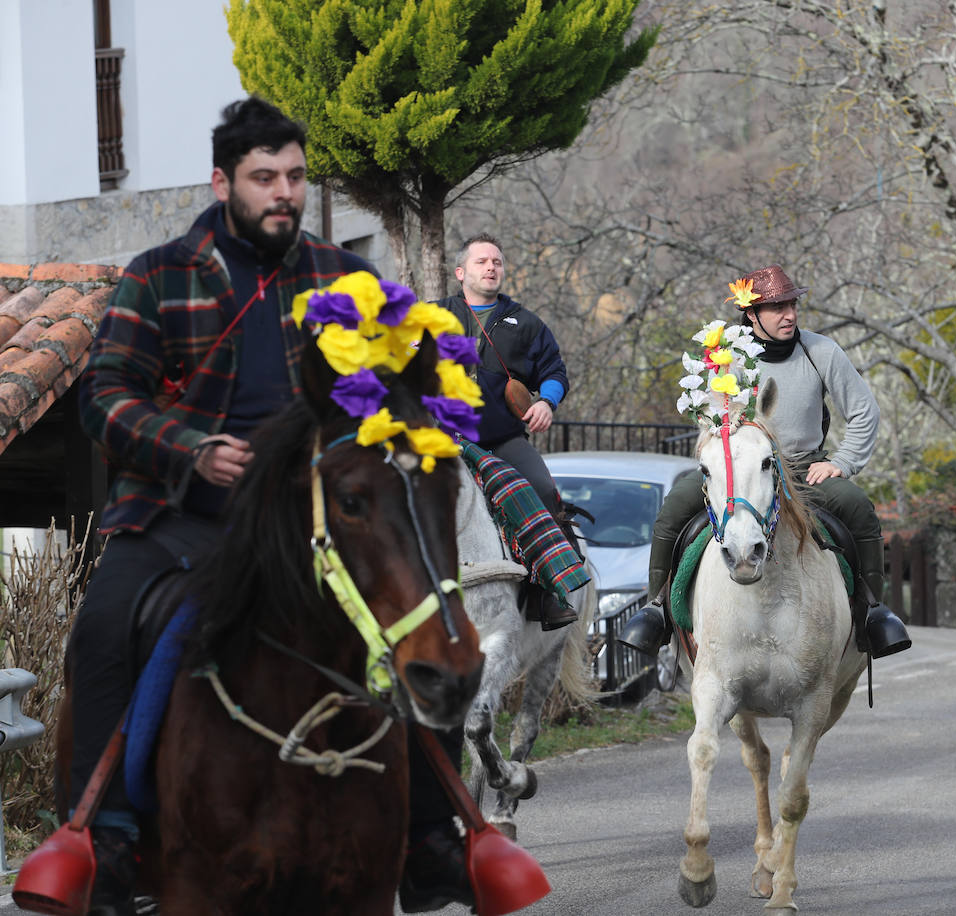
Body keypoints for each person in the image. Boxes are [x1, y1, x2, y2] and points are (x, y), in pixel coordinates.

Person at [70, 97, 474, 915]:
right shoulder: (158, 274)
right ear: (224, 183)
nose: (283, 192)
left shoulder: (349, 280)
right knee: (107, 624)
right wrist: (191, 448)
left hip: (318, 515)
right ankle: (99, 837)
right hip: (185, 514)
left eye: (293, 176)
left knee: (429, 621)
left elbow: (396, 384)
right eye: (264, 179)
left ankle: (436, 836)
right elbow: (104, 394)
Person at [619, 265, 912, 659]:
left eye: (791, 304)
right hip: (739, 469)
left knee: (858, 508)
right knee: (674, 507)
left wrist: (841, 462)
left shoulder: (821, 351)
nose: (789, 314)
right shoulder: (724, 357)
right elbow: (709, 421)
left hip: (805, 470)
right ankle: (656, 611)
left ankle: (872, 614)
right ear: (751, 314)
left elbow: (864, 412)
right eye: (776, 307)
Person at [437, 233, 579, 629]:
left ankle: (549, 593)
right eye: (482, 261)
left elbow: (554, 372)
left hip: (502, 441)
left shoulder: (526, 323)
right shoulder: (432, 317)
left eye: (497, 262)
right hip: (440, 439)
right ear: (461, 272)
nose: (491, 268)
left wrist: (545, 402)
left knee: (544, 490)